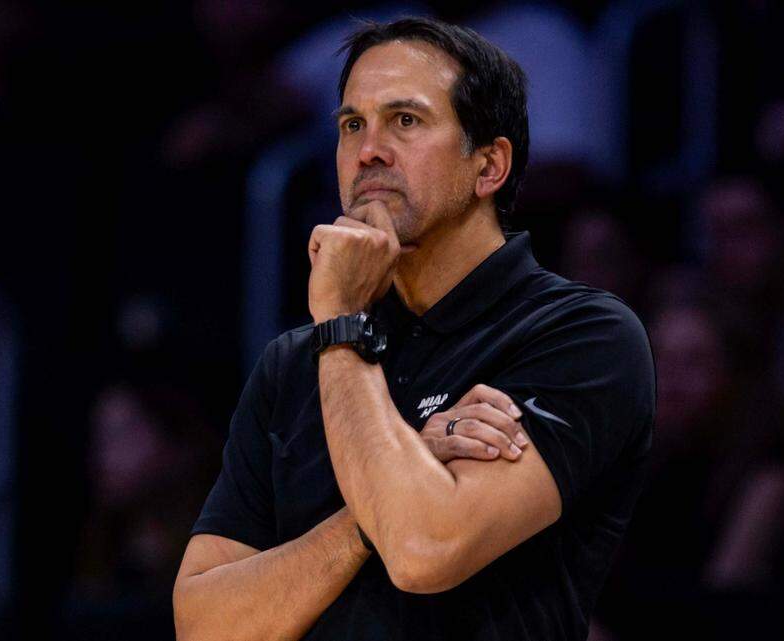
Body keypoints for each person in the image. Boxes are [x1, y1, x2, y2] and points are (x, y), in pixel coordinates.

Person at [172, 17, 656, 641]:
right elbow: (204, 626)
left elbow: (425, 550)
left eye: (406, 120)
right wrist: (374, 505)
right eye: (352, 124)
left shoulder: (582, 336)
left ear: (489, 166)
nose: (368, 150)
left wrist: (344, 323)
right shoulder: (293, 362)